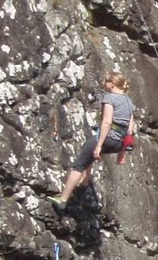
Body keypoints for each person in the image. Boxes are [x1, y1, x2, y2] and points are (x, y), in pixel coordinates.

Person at [54, 71, 136, 211]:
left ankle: (63, 199)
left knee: (78, 165)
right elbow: (130, 129)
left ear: (112, 84)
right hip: (119, 143)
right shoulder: (129, 102)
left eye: (106, 81)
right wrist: (122, 153)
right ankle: (84, 183)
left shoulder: (110, 98)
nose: (104, 84)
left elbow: (107, 122)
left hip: (108, 137)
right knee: (89, 154)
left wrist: (99, 145)